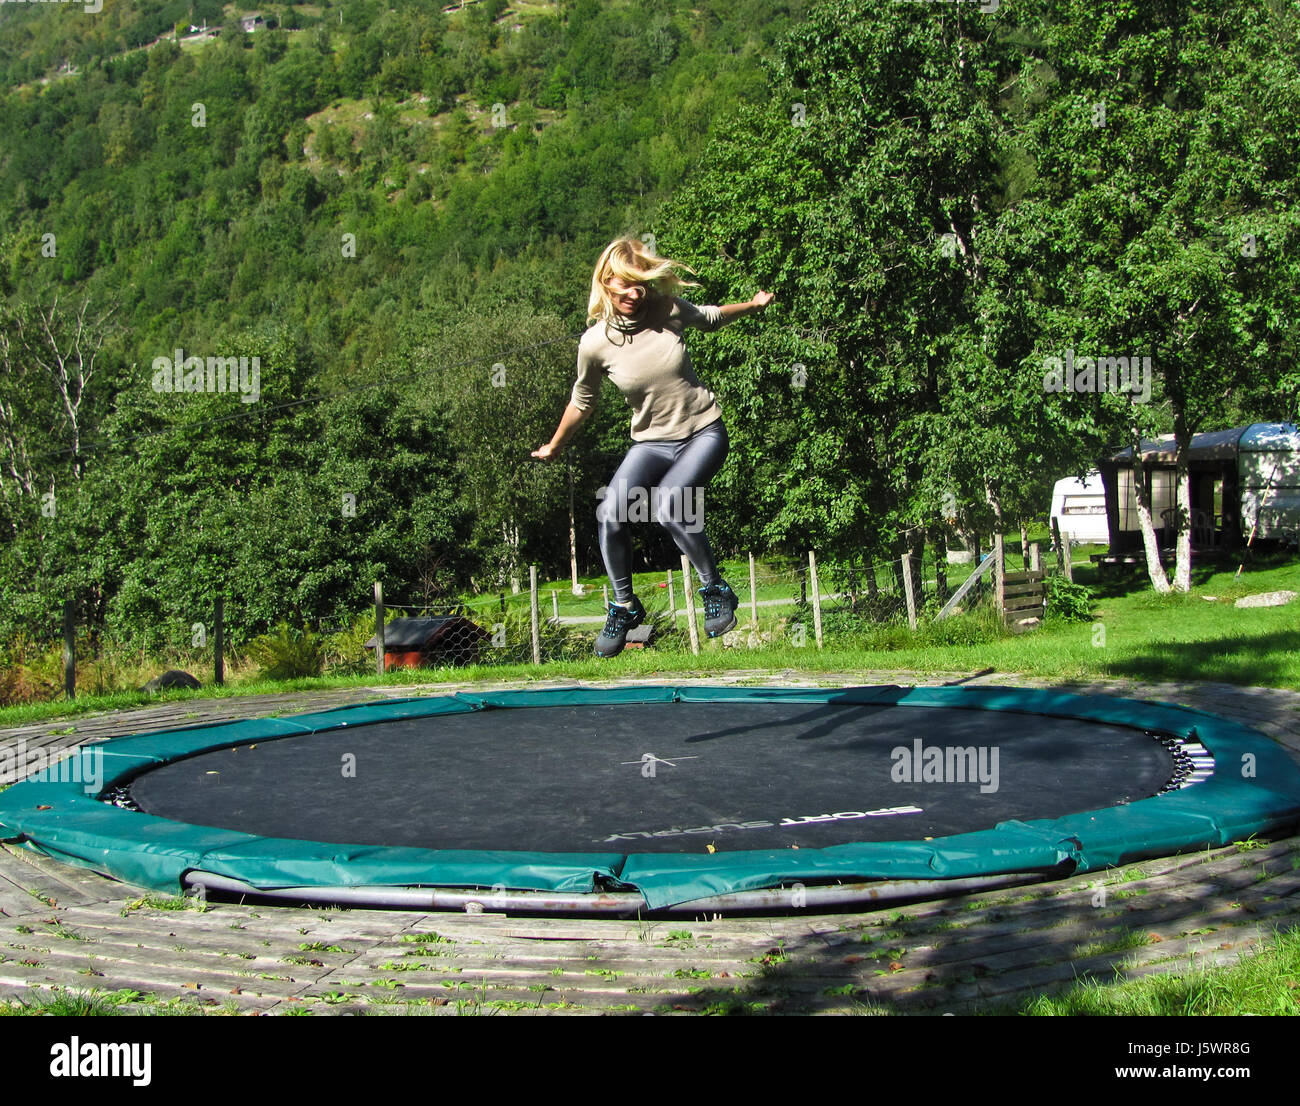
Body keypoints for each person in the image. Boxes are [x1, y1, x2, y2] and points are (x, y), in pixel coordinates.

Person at [532, 237, 774, 656]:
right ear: (605, 284)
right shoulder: (594, 344)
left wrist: (752, 307)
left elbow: (712, 318)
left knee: (669, 504)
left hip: (703, 431)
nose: (632, 294)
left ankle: (715, 588)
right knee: (610, 512)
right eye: (622, 285)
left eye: (638, 285)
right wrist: (555, 444)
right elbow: (581, 401)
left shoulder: (667, 309)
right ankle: (625, 606)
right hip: (652, 443)